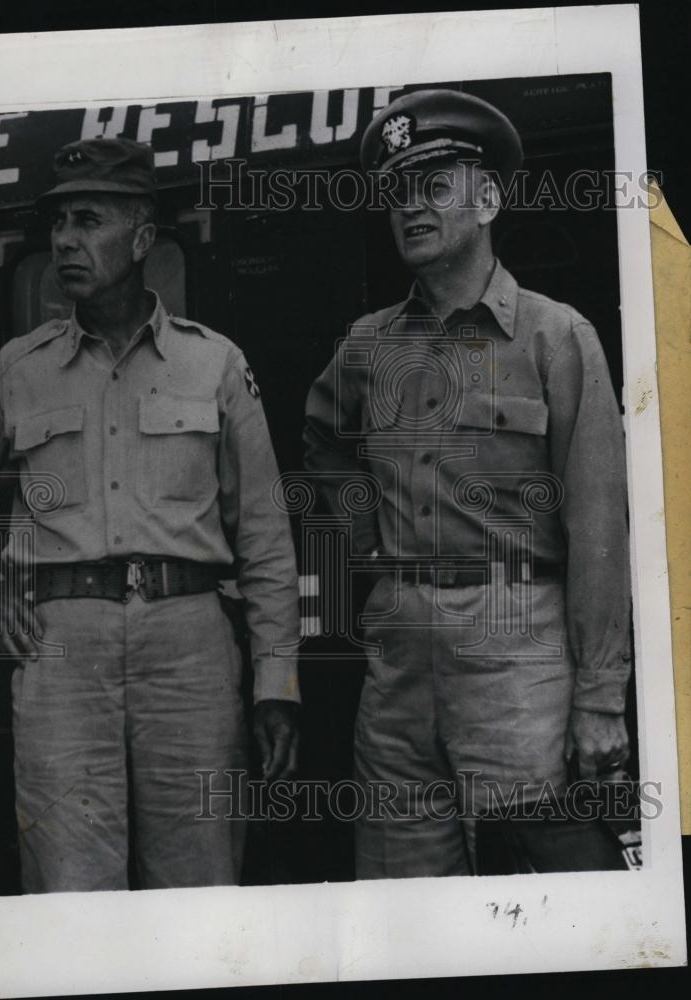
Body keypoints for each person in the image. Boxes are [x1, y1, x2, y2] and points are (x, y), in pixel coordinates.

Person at [0, 136, 300, 893]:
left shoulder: (214, 364)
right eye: (59, 224)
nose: (66, 242)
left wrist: (276, 681)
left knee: (201, 884)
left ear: (143, 238)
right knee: (71, 884)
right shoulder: (20, 368)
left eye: (88, 221)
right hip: (59, 648)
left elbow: (266, 537)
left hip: (192, 648)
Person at [303, 89, 632, 877]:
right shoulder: (368, 345)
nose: (410, 207)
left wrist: (599, 698)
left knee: (543, 903)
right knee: (403, 907)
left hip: (518, 656)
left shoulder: (557, 337)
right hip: (398, 660)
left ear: (486, 199)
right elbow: (322, 439)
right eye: (398, 191)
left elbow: (598, 533)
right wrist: (366, 540)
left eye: (434, 184)